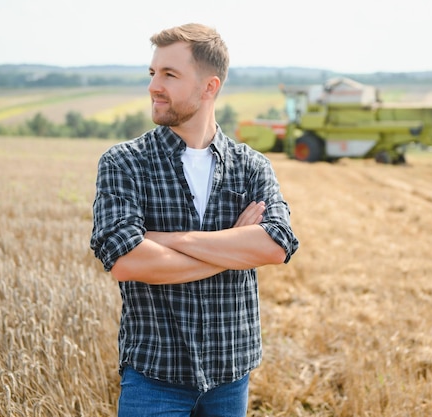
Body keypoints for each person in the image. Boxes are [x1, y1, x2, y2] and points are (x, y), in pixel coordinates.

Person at [90, 23, 299, 417]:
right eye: (153, 73)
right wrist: (234, 243)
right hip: (154, 377)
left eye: (170, 74)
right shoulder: (124, 162)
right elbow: (126, 261)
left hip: (230, 377)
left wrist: (170, 240)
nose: (154, 86)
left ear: (209, 87)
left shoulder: (251, 167)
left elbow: (275, 245)